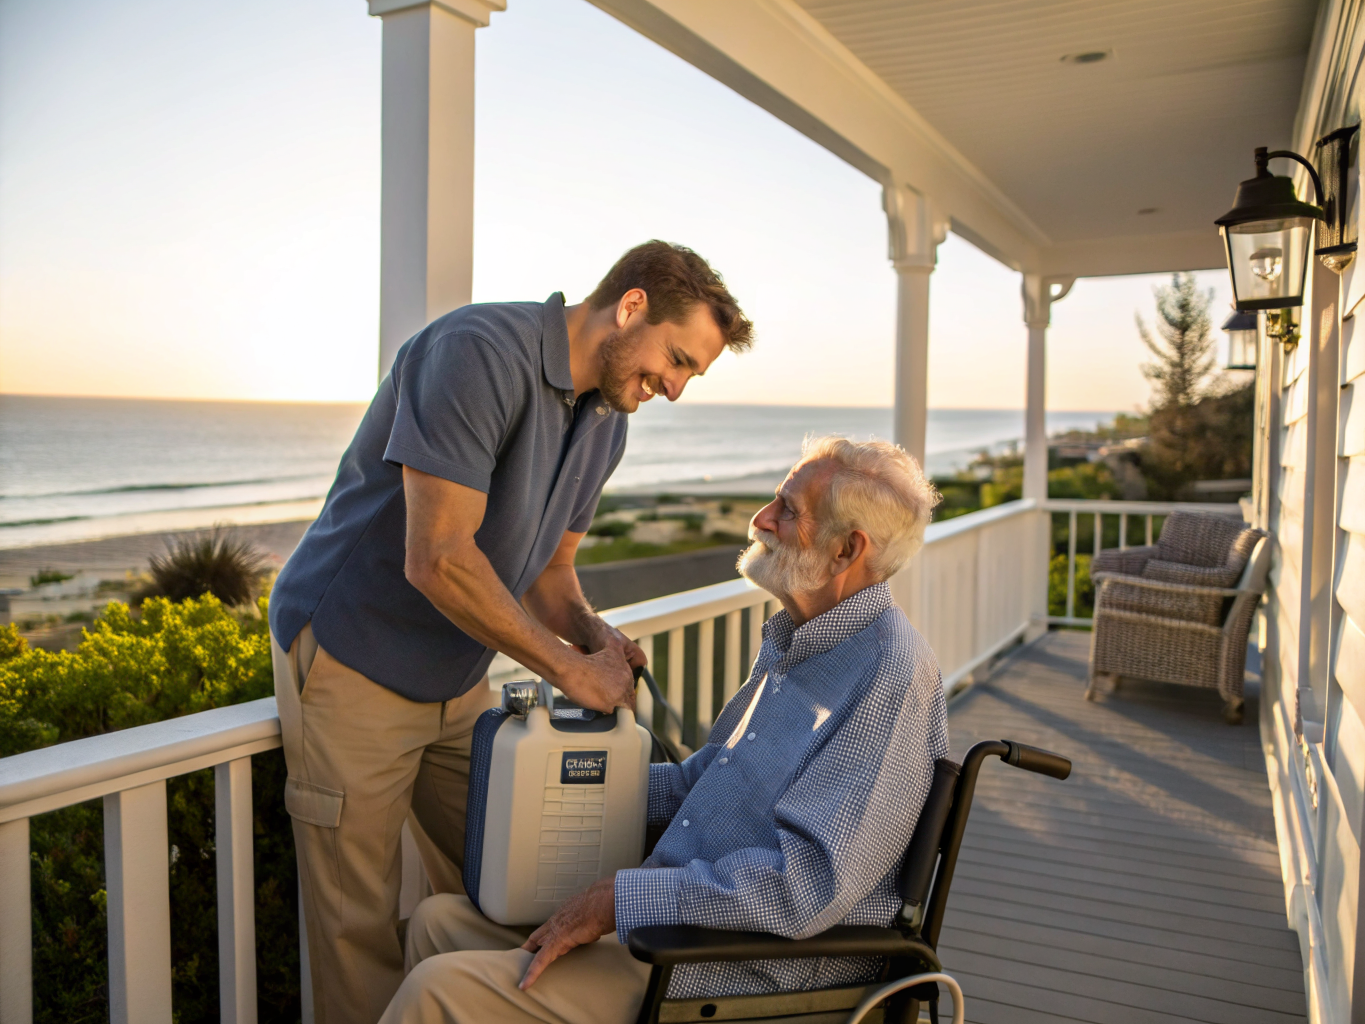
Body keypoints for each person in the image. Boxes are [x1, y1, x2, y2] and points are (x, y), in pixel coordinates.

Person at [267, 241, 754, 1024]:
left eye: (690, 373)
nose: (675, 387)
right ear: (630, 307)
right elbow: (438, 559)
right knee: (355, 922)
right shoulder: (474, 353)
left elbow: (548, 576)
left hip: (458, 682)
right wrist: (568, 671)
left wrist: (593, 637)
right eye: (677, 358)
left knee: (521, 873)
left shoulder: (607, 421)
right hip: (352, 656)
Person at [379, 436, 947, 1024]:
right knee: (437, 923)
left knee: (437, 988)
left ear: (846, 550)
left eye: (789, 509)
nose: (760, 520)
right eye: (774, 500)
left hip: (743, 971)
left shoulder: (890, 674)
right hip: (676, 931)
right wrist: (559, 781)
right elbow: (702, 786)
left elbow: (805, 887)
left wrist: (622, 899)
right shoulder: (794, 640)